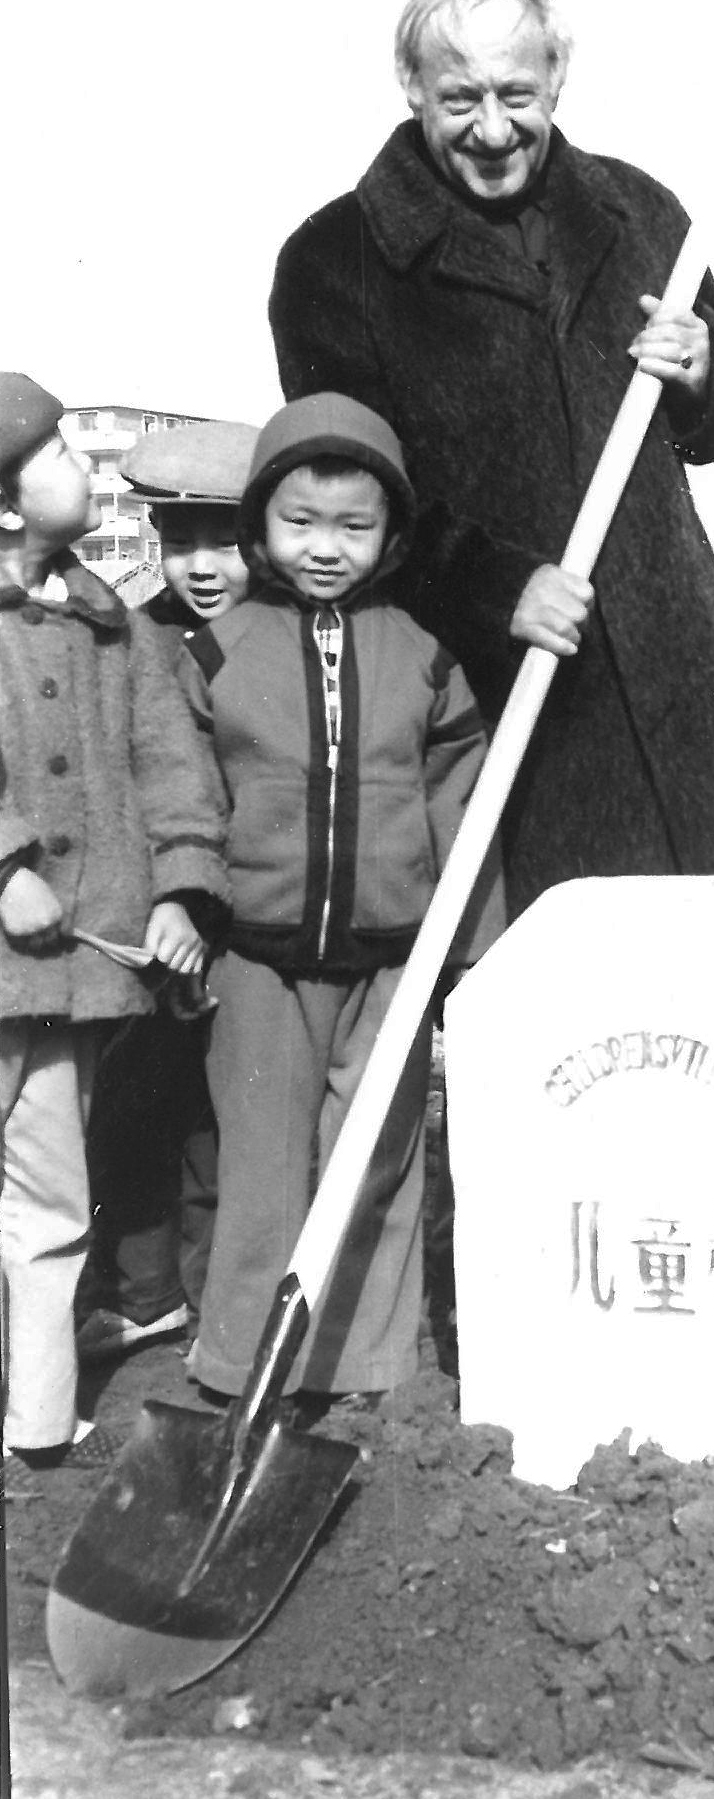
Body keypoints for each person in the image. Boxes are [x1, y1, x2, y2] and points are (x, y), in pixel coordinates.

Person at [268, 0, 714, 921]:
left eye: (516, 95)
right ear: (411, 85)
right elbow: (351, 494)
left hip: (671, 658)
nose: (493, 131)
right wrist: (496, 586)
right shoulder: (335, 262)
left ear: (557, 80)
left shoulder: (641, 213)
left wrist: (708, 367)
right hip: (499, 676)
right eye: (460, 99)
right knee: (561, 980)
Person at [179, 394, 498, 1408]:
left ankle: (365, 1362)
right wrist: (188, 906)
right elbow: (184, 796)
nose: (326, 548)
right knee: (265, 1163)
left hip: (393, 953)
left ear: (392, 535)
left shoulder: (424, 655)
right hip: (259, 953)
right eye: (300, 523)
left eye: (354, 527)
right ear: (260, 530)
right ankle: (240, 1367)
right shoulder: (218, 654)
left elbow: (461, 797)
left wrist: (469, 945)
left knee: (378, 1156)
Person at [0, 375, 227, 1471]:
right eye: (58, 454)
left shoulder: (114, 627)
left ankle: (38, 1416)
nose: (84, 470)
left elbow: (171, 767)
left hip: (70, 973)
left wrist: (181, 888)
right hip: (14, 954)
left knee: (50, 1196)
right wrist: (3, 862)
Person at [76, 419, 257, 1363]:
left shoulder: (283, 642)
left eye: (222, 539)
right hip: (164, 910)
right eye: (175, 541)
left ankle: (223, 1288)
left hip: (255, 913)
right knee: (145, 1100)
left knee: (236, 1114)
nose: (198, 565)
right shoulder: (137, 635)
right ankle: (148, 1290)